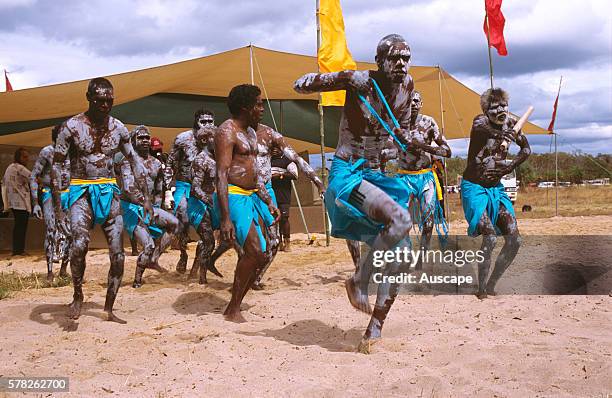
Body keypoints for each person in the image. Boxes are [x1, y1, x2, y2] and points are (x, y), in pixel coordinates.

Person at [294, 34, 414, 352]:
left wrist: (406, 142)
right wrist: (344, 79)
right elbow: (301, 84)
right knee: (400, 220)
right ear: (379, 62)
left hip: (376, 177)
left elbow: (396, 134)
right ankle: (359, 280)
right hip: (348, 175)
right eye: (395, 58)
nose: (401, 63)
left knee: (400, 255)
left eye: (406, 58)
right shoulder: (360, 81)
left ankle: (373, 330)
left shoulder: (407, 88)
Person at [52, 77, 153, 323]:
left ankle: (108, 307)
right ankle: (77, 295)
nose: (105, 105)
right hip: (80, 192)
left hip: (109, 191)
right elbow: (57, 164)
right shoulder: (72, 126)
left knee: (118, 254)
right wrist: (59, 208)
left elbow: (135, 162)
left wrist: (147, 198)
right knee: (79, 245)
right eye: (100, 101)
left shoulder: (118, 128)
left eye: (109, 101)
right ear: (89, 98)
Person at [215, 84, 279, 322]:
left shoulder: (251, 133)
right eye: (258, 104)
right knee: (254, 251)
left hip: (251, 195)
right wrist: (225, 218)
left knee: (261, 256)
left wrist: (267, 200)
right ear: (246, 107)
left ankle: (234, 303)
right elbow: (221, 174)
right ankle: (233, 308)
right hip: (233, 195)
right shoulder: (226, 132)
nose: (262, 108)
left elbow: (254, 174)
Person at [460, 87, 531, 299]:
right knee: (489, 237)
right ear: (486, 109)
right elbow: (486, 131)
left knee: (514, 240)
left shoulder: (512, 123)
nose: (501, 110)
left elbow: (526, 150)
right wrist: (503, 134)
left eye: (503, 106)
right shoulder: (480, 122)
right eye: (495, 107)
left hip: (496, 189)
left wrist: (510, 166)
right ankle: (481, 288)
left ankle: (492, 284)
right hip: (474, 188)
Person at [115, 126, 179, 288]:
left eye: (147, 138)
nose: (145, 141)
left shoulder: (156, 163)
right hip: (130, 207)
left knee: (175, 224)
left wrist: (159, 206)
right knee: (148, 244)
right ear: (133, 141)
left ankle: (153, 260)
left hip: (149, 206)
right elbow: (129, 188)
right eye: (141, 138)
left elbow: (158, 188)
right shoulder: (126, 162)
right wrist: (146, 204)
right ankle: (137, 280)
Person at [394, 90, 451, 269]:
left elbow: (447, 151)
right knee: (402, 220)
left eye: (416, 101)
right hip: (404, 177)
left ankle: (422, 257)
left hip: (425, 176)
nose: (412, 104)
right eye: (409, 101)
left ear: (421, 104)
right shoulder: (397, 125)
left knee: (428, 220)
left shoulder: (428, 123)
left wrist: (422, 146)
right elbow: (387, 148)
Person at [167, 109, 215, 273]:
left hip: (207, 188)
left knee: (207, 229)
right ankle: (182, 253)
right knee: (182, 218)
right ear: (196, 121)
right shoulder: (182, 139)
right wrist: (166, 190)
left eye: (210, 121)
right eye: (204, 121)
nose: (207, 124)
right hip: (184, 185)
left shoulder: (217, 139)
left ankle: (196, 266)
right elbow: (170, 164)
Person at [30, 125, 71, 280]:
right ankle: (49, 271)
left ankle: (63, 269)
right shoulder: (47, 152)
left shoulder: (73, 153)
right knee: (51, 229)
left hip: (69, 194)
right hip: (49, 195)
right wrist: (35, 203)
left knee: (71, 232)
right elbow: (34, 176)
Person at [2, 147, 32, 256]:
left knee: (18, 226)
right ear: (18, 157)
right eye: (24, 157)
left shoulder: (10, 167)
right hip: (21, 202)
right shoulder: (19, 168)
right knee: (21, 227)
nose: (27, 159)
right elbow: (33, 177)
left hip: (13, 202)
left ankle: (17, 250)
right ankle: (18, 250)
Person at [271, 147, 298, 252]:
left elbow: (295, 175)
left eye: (276, 148)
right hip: (271, 196)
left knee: (284, 218)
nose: (274, 150)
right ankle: (279, 242)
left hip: (283, 195)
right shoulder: (267, 161)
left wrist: (280, 175)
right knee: (273, 219)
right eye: (272, 148)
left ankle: (287, 243)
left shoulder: (287, 161)